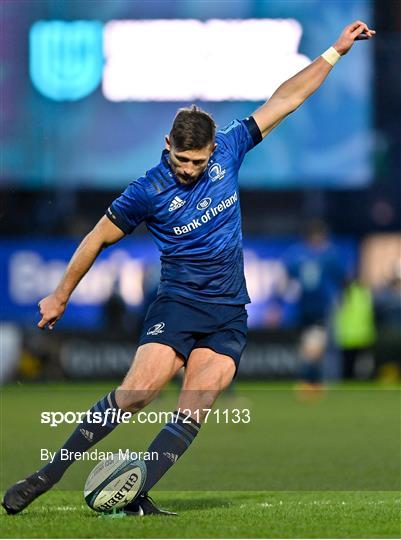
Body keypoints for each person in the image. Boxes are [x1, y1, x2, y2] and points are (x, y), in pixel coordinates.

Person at [2, 20, 375, 516]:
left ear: (212, 149)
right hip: (179, 303)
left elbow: (286, 99)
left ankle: (134, 493)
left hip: (228, 312)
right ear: (166, 144)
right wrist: (60, 295)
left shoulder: (230, 150)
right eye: (182, 160)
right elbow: (96, 238)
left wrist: (334, 51)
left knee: (195, 405)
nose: (190, 170)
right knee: (137, 394)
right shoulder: (146, 190)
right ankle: (46, 475)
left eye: (198, 162)